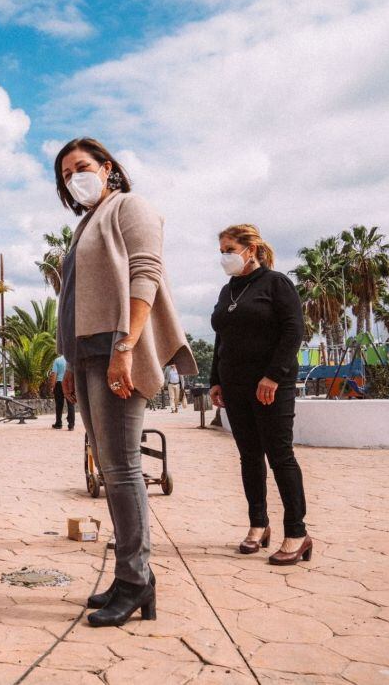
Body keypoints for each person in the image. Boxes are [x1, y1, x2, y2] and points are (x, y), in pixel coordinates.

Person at [54, 137, 196, 628]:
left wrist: (126, 346)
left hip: (117, 348)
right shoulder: (84, 224)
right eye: (67, 174)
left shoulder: (130, 206)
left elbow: (145, 273)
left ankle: (137, 582)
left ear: (107, 167)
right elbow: (76, 300)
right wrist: (71, 362)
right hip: (88, 354)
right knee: (109, 467)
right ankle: (129, 577)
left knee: (123, 469)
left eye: (82, 167)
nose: (75, 178)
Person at [209, 224, 310, 565]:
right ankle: (258, 525)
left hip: (269, 386)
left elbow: (293, 330)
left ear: (250, 249)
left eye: (229, 249)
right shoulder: (228, 291)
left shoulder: (276, 283)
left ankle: (297, 532)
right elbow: (221, 338)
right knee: (249, 457)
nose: (224, 256)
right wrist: (215, 380)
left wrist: (273, 376)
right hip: (234, 386)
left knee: (279, 456)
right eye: (221, 250)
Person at [49, 355, 75, 430]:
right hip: (70, 383)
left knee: (59, 405)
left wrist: (52, 386)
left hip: (59, 384)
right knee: (71, 404)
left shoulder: (57, 360)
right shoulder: (72, 359)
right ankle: (71, 425)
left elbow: (54, 374)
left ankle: (58, 423)